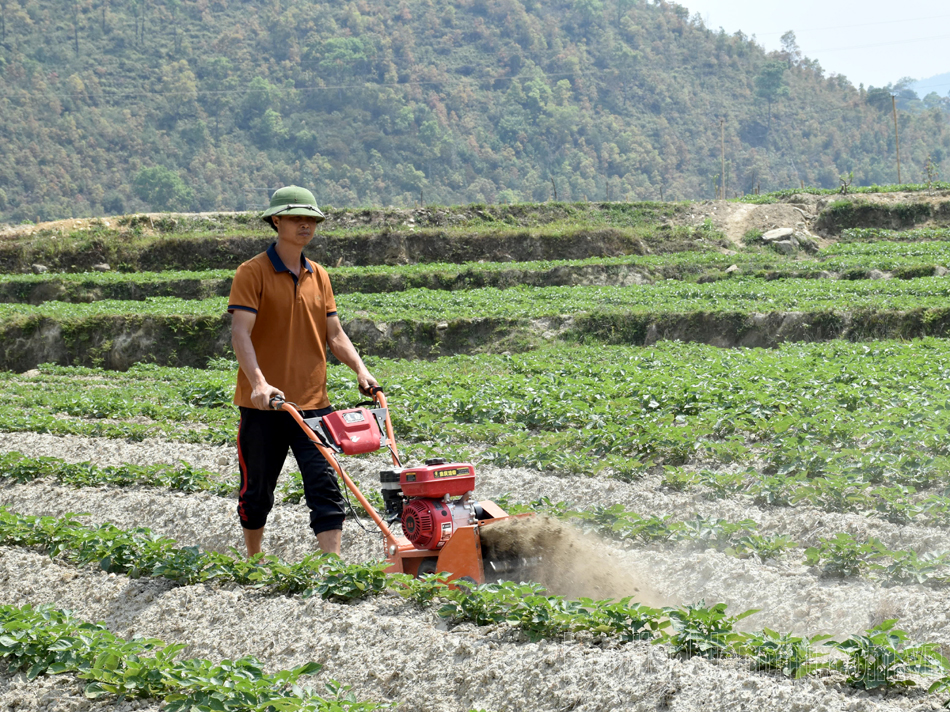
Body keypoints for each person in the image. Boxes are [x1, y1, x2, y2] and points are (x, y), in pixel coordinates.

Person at [227, 185, 379, 558]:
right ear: (276, 220)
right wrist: (259, 383)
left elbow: (335, 333)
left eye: (311, 219)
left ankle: (334, 563)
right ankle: (254, 558)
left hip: (314, 405)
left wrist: (361, 370)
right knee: (257, 489)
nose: (305, 225)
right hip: (265, 406)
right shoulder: (252, 272)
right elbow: (240, 333)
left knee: (325, 485)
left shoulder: (319, 275)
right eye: (296, 218)